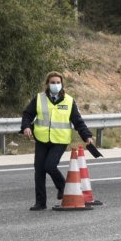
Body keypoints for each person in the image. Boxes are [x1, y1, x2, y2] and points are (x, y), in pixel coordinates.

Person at [20, 72, 95, 211]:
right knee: (39, 170)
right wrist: (26, 127)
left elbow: (78, 121)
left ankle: (62, 187)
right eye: (52, 82)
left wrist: (87, 136)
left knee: (50, 166)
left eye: (57, 82)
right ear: (47, 84)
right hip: (42, 139)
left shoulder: (69, 101)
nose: (55, 85)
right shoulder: (39, 98)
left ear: (62, 84)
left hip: (60, 140)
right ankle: (40, 202)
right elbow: (27, 114)